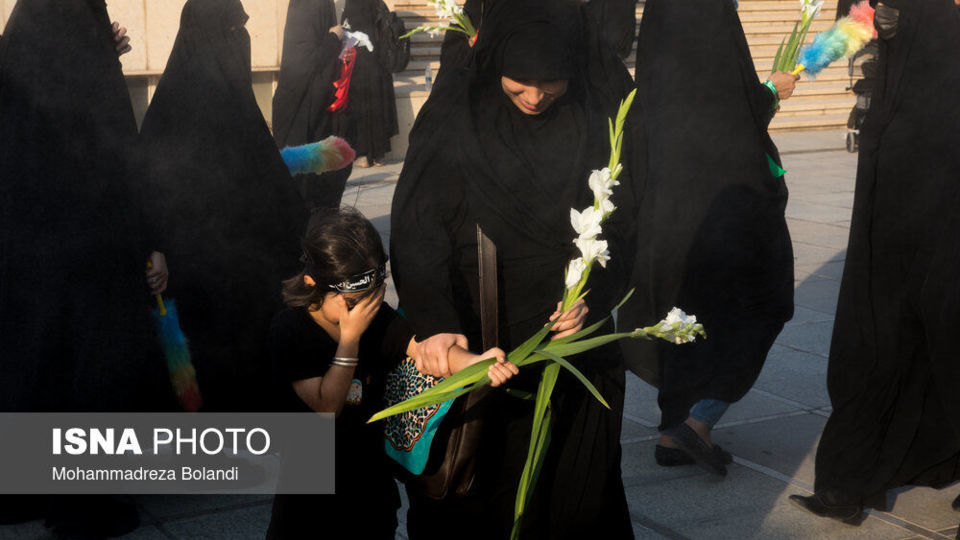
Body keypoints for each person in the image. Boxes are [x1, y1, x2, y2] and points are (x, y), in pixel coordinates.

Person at [390, 0, 641, 537]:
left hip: (573, 349)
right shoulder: (456, 112)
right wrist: (437, 323)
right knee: (486, 495)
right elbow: (417, 227)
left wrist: (594, 297)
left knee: (576, 494)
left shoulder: (596, 118)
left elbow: (624, 227)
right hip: (481, 343)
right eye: (519, 82)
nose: (534, 96)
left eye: (552, 83)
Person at [0, 0, 174, 535]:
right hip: (93, 244)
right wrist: (150, 241)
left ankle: (19, 492)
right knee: (91, 369)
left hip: (24, 247)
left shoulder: (18, 49)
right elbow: (120, 155)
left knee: (31, 362)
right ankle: (82, 503)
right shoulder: (90, 64)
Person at [790, 0, 960, 523]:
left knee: (927, 314)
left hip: (924, 151)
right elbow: (860, 21)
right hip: (902, 150)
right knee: (883, 317)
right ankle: (849, 479)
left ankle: (852, 479)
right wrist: (803, 63)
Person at [619, 0, 797, 476]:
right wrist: (771, 91)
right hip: (727, 213)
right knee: (762, 304)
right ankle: (697, 422)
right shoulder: (710, 20)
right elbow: (732, 116)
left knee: (681, 314)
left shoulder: (660, 32)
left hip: (667, 213)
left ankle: (670, 429)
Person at [266, 208, 514, 539]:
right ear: (313, 281)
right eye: (354, 301)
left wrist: (476, 363)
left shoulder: (374, 316)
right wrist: (351, 338)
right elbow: (326, 407)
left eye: (373, 296)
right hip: (309, 505)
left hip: (370, 495)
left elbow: (421, 347)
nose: (367, 307)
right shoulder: (291, 329)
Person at [140, 0, 308, 412]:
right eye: (233, 33)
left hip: (249, 306)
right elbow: (144, 200)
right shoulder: (172, 118)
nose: (243, 41)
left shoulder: (237, 116)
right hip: (197, 303)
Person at [273, 0, 354, 209]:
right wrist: (333, 38)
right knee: (303, 189)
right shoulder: (308, 5)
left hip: (318, 105)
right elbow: (307, 58)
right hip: (303, 109)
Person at [340, 0, 399, 167]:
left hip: (360, 63)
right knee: (377, 102)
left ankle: (363, 154)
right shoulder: (378, 2)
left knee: (361, 106)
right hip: (378, 62)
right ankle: (379, 155)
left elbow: (348, 33)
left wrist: (343, 56)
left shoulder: (352, 4)